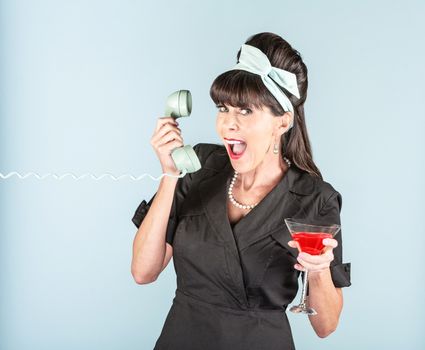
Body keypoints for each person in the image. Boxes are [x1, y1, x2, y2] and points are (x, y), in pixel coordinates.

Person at [131, 32, 351, 350]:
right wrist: (169, 175)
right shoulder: (199, 166)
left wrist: (318, 273)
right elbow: (143, 271)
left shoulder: (315, 198)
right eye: (224, 108)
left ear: (282, 122)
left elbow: (325, 326)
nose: (228, 125)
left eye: (245, 111)